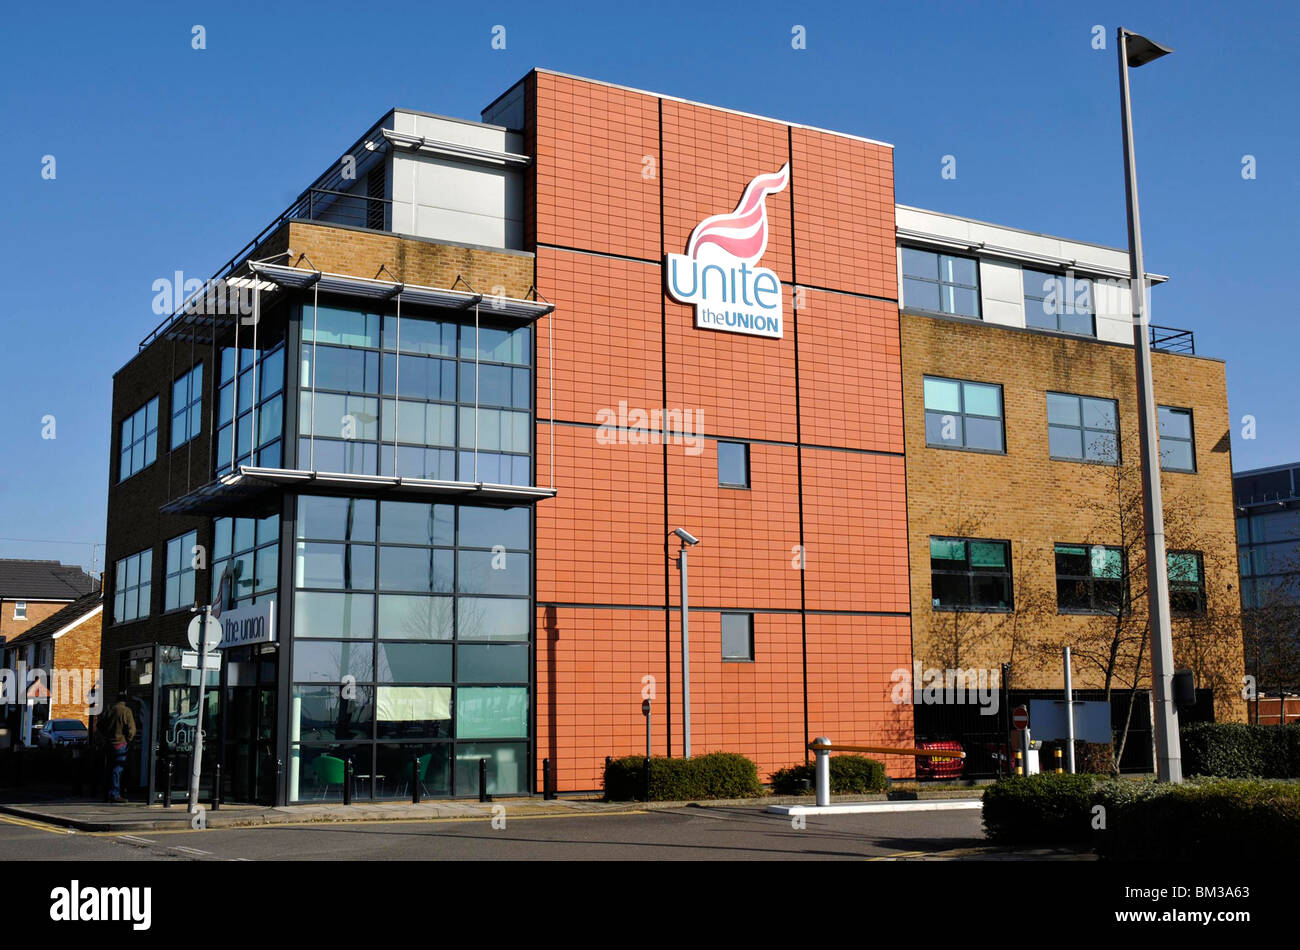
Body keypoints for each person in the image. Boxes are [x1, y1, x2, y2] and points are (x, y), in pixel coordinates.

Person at [98, 695, 136, 803]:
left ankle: (107, 793)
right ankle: (115, 793)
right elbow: (131, 729)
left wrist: (106, 736)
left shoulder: (110, 710)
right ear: (125, 701)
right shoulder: (126, 711)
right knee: (118, 768)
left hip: (109, 743)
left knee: (109, 768)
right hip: (120, 743)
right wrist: (128, 740)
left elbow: (99, 725)